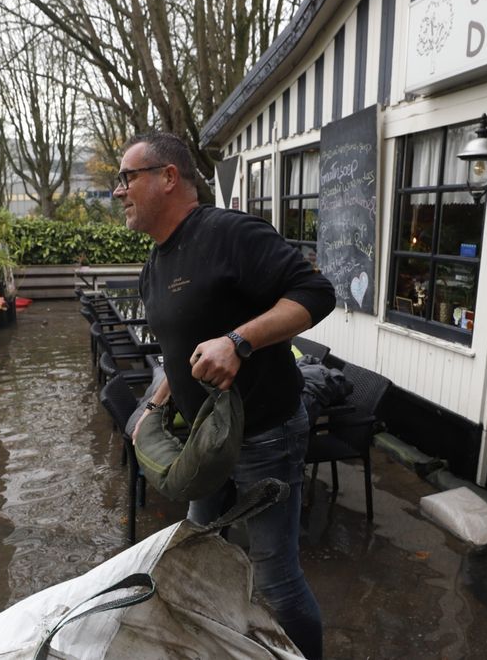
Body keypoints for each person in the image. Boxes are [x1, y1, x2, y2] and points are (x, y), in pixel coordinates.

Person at [117, 132, 334, 659]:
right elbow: (179, 351)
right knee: (195, 543)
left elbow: (317, 293)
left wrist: (239, 341)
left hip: (267, 432)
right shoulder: (154, 265)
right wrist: (155, 403)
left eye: (128, 177)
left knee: (275, 578)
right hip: (204, 437)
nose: (119, 191)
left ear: (169, 177)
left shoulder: (230, 233)